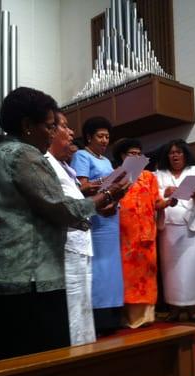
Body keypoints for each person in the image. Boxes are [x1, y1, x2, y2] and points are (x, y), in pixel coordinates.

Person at [0, 87, 129, 362]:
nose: (53, 132)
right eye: (49, 126)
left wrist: (96, 202)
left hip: (12, 275)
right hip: (27, 278)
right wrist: (106, 195)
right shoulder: (24, 155)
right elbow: (60, 208)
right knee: (37, 366)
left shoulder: (6, 151)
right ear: (27, 126)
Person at [113, 138, 176, 328]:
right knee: (128, 275)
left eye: (138, 154)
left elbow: (157, 202)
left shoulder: (149, 176)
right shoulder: (115, 175)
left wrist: (169, 202)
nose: (135, 157)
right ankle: (128, 317)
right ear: (122, 156)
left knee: (148, 273)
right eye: (131, 154)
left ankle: (147, 317)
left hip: (147, 232)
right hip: (124, 233)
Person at [70, 116, 124, 335]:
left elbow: (113, 187)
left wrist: (117, 195)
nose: (104, 140)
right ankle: (99, 318)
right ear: (89, 137)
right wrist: (107, 187)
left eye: (107, 137)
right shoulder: (82, 156)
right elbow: (81, 187)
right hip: (97, 218)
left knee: (112, 268)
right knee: (99, 268)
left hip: (111, 217)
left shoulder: (106, 161)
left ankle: (112, 316)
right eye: (100, 136)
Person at [46, 110, 96, 345]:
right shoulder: (45, 163)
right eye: (65, 126)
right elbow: (65, 207)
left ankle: (85, 352)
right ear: (51, 131)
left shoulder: (65, 167)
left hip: (79, 244)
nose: (72, 132)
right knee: (72, 307)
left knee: (83, 304)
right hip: (65, 247)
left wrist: (104, 203)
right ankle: (75, 357)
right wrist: (105, 195)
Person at [156, 139, 195, 323]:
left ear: (185, 153)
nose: (175, 155)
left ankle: (193, 309)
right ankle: (174, 309)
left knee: (193, 269)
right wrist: (166, 192)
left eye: (179, 152)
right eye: (171, 153)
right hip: (169, 229)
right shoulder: (159, 174)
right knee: (171, 271)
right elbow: (155, 196)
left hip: (192, 229)